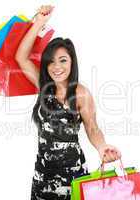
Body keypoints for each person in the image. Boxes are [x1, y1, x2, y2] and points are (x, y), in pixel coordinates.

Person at [15, 5, 122, 200]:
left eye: (63, 60)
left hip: (72, 176)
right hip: (43, 175)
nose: (57, 67)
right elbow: (21, 57)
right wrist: (39, 22)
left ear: (72, 62)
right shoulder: (43, 86)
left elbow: (92, 128)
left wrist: (102, 147)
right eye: (51, 61)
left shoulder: (81, 94)